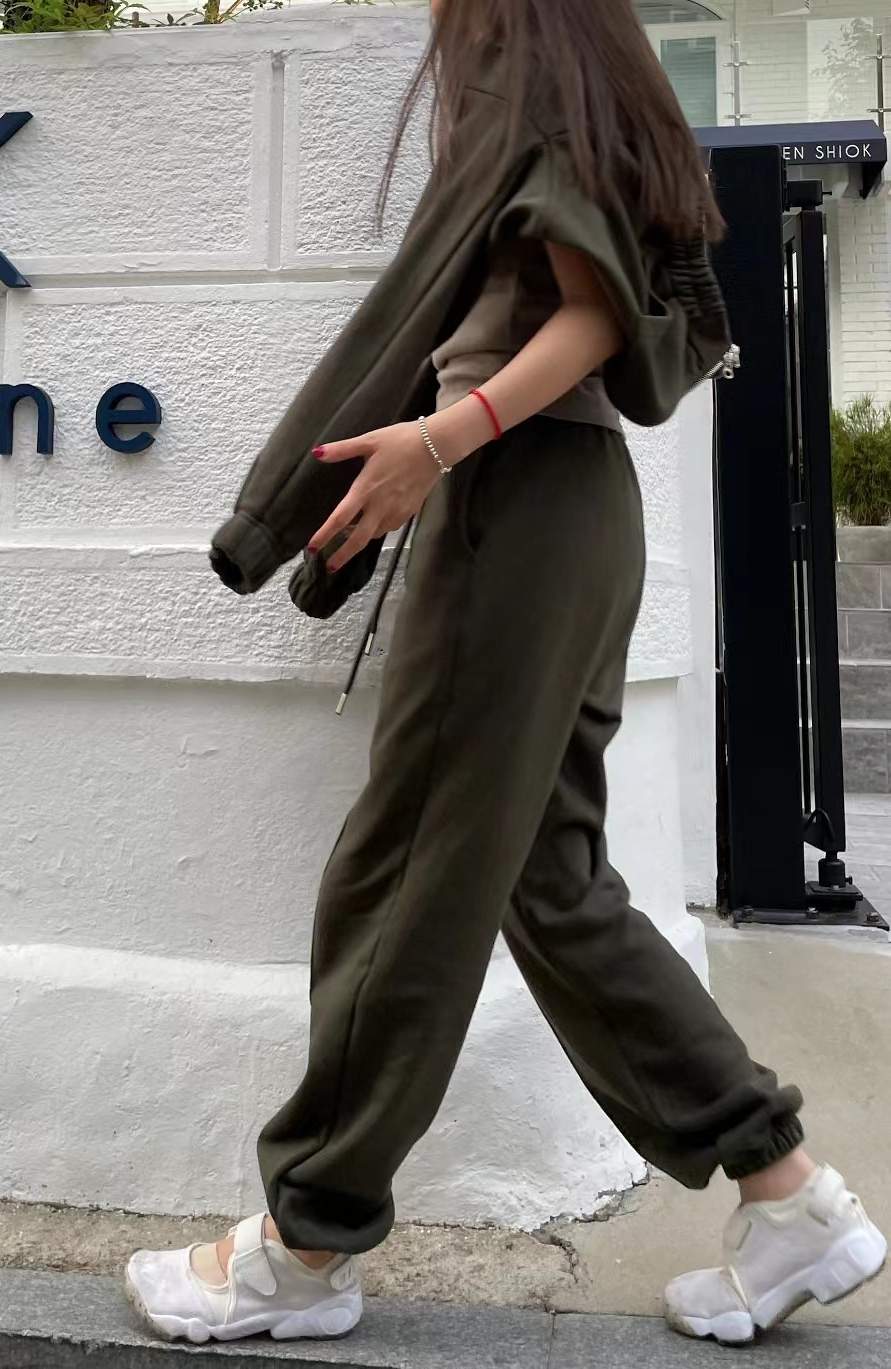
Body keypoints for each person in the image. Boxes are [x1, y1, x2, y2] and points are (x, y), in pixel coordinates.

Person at [124, 0, 887, 1348]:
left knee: (408, 872)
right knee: (552, 882)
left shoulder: (522, 57)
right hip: (582, 508)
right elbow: (609, 302)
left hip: (518, 503)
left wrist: (443, 437)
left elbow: (592, 312)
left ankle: (305, 1245)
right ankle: (789, 1195)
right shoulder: (599, 70)